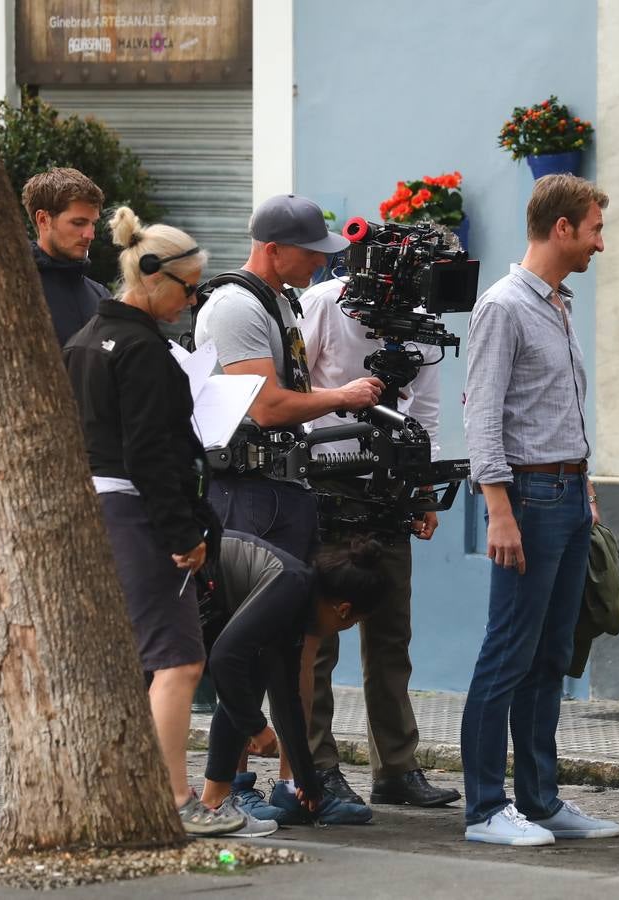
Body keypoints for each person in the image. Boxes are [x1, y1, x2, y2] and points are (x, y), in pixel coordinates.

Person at [194, 194, 386, 817]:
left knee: (299, 642)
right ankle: (231, 788)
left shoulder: (283, 300)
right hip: (246, 492)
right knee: (245, 643)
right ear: (273, 249)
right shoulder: (233, 306)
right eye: (310, 252)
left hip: (287, 488)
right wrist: (344, 396)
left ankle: (294, 783)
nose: (319, 264)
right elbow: (267, 405)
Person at [63, 207, 243, 837]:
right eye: (188, 287)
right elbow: (150, 453)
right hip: (135, 508)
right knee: (178, 660)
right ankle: (176, 800)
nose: (193, 300)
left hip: (99, 506)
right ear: (149, 275)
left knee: (141, 660)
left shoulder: (87, 338)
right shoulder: (142, 348)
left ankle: (138, 793)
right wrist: (183, 534)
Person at [460, 174, 619, 847]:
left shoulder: (556, 302)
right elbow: (482, 415)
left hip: (566, 495)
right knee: (509, 651)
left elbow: (555, 409)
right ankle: (485, 809)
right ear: (562, 229)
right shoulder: (503, 306)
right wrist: (499, 510)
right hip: (526, 499)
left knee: (552, 654)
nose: (600, 244)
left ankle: (541, 799)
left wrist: (584, 488)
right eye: (594, 230)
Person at [295, 277, 461, 808]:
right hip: (326, 477)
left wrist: (425, 488)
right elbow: (293, 389)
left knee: (391, 632)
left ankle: (396, 767)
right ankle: (318, 767)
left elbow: (426, 411)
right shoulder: (323, 303)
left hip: (390, 484)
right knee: (320, 631)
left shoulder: (418, 320)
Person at [198, 532, 389, 832]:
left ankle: (213, 802)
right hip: (181, 575)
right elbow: (225, 659)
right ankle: (214, 802)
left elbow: (288, 697)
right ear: (343, 609)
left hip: (200, 587)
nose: (344, 629)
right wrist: (256, 727)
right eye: (350, 624)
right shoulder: (291, 587)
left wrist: (306, 779)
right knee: (237, 673)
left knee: (256, 670)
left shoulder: (300, 603)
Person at [22, 167, 109, 346]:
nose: (90, 235)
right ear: (43, 220)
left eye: (93, 224)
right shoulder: (18, 290)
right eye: (78, 223)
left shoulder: (101, 296)